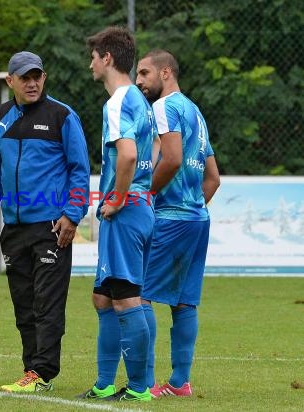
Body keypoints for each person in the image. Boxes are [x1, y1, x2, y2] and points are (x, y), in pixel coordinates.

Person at [0, 51, 90, 393]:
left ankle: (43, 372)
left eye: (37, 76)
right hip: (14, 228)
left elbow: (79, 170)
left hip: (52, 227)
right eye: (24, 77)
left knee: (47, 302)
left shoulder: (62, 116)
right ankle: (30, 370)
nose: (32, 82)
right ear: (10, 81)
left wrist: (72, 214)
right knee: (24, 305)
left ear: (44, 77)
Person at [77, 26, 156, 402]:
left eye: (94, 56)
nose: (90, 63)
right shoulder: (140, 100)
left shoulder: (118, 101)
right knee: (103, 298)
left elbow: (126, 154)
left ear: (107, 58)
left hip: (124, 210)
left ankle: (139, 388)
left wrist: (120, 197)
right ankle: (106, 382)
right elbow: (152, 149)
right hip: (140, 206)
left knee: (126, 298)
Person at [135, 49, 220, 398]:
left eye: (144, 73)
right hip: (198, 219)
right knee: (184, 302)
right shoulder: (195, 111)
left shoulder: (163, 107)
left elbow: (170, 159)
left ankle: (148, 383)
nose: (139, 81)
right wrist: (193, 205)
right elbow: (213, 178)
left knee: (139, 296)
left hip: (171, 218)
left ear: (165, 72)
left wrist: (147, 194)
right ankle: (180, 382)